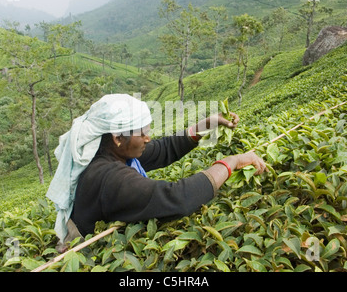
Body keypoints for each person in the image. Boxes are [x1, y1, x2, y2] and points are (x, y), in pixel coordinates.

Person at [47, 94, 267, 252]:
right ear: (118, 138)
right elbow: (178, 198)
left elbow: (164, 150)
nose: (148, 138)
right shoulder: (109, 177)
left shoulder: (109, 151)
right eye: (142, 132)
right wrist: (231, 162)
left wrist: (206, 125)